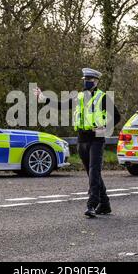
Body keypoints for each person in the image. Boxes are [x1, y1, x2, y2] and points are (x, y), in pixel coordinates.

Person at [33, 68, 121, 218]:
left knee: (94, 171)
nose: (86, 82)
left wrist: (104, 128)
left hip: (96, 139)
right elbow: (61, 105)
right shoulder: (79, 97)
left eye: (90, 80)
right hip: (82, 139)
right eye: (85, 79)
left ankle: (92, 204)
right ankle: (105, 204)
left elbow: (117, 117)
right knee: (92, 173)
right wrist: (43, 98)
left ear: (96, 82)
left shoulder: (103, 97)